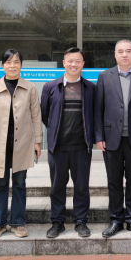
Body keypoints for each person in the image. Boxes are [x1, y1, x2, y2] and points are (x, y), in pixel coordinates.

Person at [0, 49, 43, 240]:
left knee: (20, 183)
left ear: (21, 65)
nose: (12, 65)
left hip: (22, 143)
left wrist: (37, 141)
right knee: (0, 183)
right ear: (3, 65)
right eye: (8, 62)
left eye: (16, 62)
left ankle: (18, 223)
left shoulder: (30, 88)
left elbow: (36, 116)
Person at [94, 40, 131, 239]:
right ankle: (115, 220)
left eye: (128, 51)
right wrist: (99, 136)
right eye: (120, 51)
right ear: (115, 54)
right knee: (113, 181)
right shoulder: (104, 76)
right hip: (111, 138)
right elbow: (98, 109)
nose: (124, 54)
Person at [41, 47, 95, 239]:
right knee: (57, 186)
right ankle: (57, 222)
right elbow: (45, 115)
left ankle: (81, 221)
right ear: (64, 63)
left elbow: (94, 115)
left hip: (81, 147)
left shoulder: (90, 88)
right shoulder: (50, 87)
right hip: (58, 147)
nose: (74, 64)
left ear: (83, 64)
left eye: (78, 61)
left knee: (82, 187)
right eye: (70, 61)